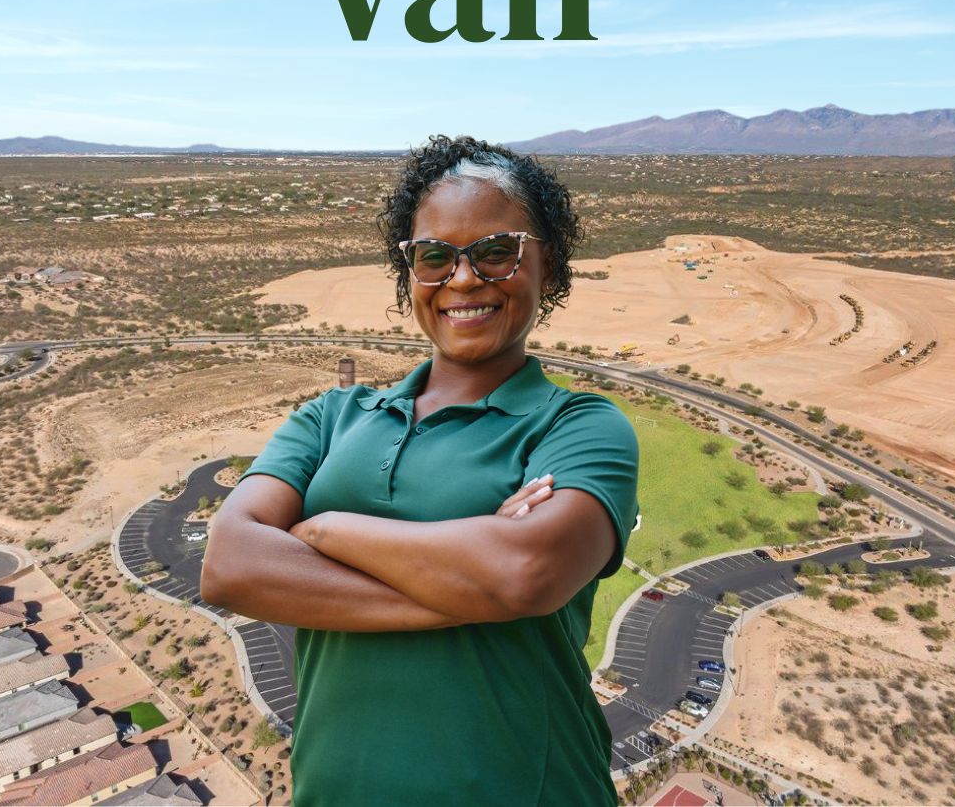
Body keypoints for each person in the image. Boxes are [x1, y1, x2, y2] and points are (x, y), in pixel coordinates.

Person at [200, 135, 640, 806]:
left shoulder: (578, 426)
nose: (463, 279)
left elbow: (525, 572)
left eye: (496, 252)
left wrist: (323, 529)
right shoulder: (333, 416)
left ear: (546, 266)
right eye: (434, 257)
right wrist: (468, 587)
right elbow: (229, 567)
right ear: (411, 274)